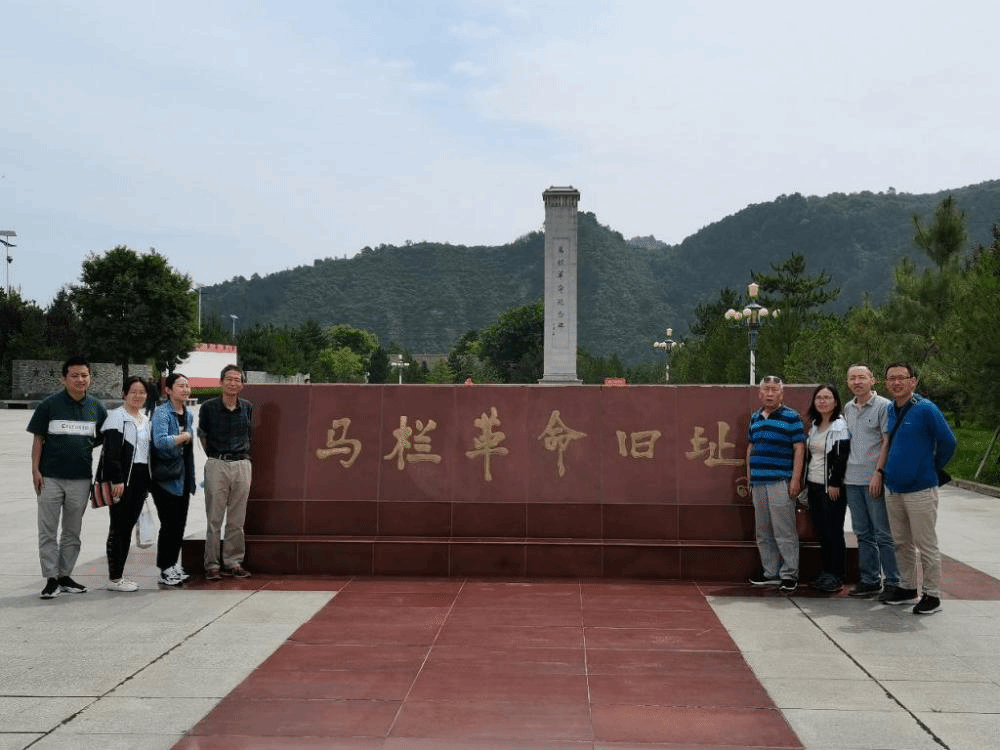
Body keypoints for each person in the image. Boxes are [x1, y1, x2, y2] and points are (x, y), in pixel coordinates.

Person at [27, 356, 108, 599]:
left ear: (90, 378)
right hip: (50, 478)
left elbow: (103, 436)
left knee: (72, 532)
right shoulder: (49, 405)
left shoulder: (96, 407)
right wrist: (35, 470)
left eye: (84, 375)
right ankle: (51, 578)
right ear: (64, 379)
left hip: (81, 479)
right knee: (48, 531)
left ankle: (65, 576)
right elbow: (38, 439)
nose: (80, 379)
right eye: (74, 375)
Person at [880, 362, 957, 615]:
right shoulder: (891, 409)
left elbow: (948, 441)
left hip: (920, 489)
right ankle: (907, 586)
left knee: (925, 544)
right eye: (891, 378)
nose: (896, 383)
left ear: (913, 381)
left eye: (902, 378)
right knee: (901, 542)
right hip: (894, 487)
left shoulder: (926, 408)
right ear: (886, 383)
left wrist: (931, 467)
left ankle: (932, 594)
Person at [842, 364, 899, 600]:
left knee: (882, 533)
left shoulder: (884, 406)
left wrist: (878, 472)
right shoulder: (848, 407)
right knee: (862, 533)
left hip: (873, 479)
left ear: (872, 380)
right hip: (851, 479)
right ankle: (870, 580)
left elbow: (886, 441)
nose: (857, 382)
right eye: (852, 378)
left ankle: (893, 581)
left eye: (861, 377)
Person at [746, 375, 806, 593]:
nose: (770, 393)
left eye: (774, 390)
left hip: (781, 480)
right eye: (766, 389)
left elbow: (799, 448)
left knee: (784, 530)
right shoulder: (755, 417)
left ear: (781, 393)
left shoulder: (792, 417)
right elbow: (751, 447)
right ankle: (770, 571)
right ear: (760, 393)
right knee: (763, 531)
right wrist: (749, 476)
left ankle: (789, 573)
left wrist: (795, 479)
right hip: (758, 481)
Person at [198, 364, 254, 580]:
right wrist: (216, 457)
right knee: (214, 519)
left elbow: (249, 434)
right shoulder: (208, 408)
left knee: (237, 519)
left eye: (237, 380)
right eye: (229, 379)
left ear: (242, 385)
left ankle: (233, 562)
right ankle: (212, 564)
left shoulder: (247, 407)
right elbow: (203, 436)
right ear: (221, 382)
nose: (233, 383)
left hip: (242, 464)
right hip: (217, 464)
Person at [100, 376, 153, 592]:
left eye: (142, 392)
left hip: (140, 477)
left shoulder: (145, 419)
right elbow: (111, 453)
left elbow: (146, 453)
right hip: (123, 479)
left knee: (128, 526)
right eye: (133, 392)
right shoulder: (117, 417)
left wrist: (147, 483)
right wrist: (117, 479)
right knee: (118, 526)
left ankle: (119, 575)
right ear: (124, 394)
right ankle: (114, 578)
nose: (137, 396)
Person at [150, 373, 197, 586]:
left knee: (179, 523)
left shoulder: (188, 414)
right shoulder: (162, 413)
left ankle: (172, 564)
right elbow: (159, 442)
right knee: (169, 524)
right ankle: (165, 568)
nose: (185, 389)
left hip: (183, 475)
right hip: (165, 478)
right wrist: (183, 437)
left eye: (187, 386)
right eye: (180, 386)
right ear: (168, 390)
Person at [804, 384, 851, 593]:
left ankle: (837, 575)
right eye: (819, 398)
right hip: (813, 484)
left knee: (833, 531)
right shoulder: (815, 426)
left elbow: (841, 457)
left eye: (827, 397)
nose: (822, 401)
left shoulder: (839, 425)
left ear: (835, 401)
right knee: (822, 531)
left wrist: (835, 483)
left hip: (830, 487)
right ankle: (826, 572)